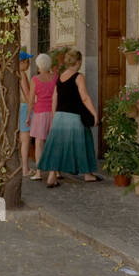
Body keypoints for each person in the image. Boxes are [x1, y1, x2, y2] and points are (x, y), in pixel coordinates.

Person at [38, 48, 100, 187]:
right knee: (83, 143)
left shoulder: (59, 77)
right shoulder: (78, 77)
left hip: (60, 116)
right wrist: (94, 113)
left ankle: (52, 176)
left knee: (57, 147)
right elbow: (84, 97)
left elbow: (54, 98)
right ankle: (87, 174)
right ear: (78, 62)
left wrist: (55, 116)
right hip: (74, 117)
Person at [28, 53, 57, 181]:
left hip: (39, 113)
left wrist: (28, 115)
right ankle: (55, 171)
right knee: (53, 143)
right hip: (52, 113)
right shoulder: (55, 78)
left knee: (39, 143)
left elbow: (31, 99)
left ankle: (39, 172)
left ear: (39, 65)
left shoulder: (35, 79)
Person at [16, 51, 35, 179]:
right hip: (24, 108)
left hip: (20, 107)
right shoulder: (22, 74)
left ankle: (23, 167)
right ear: (21, 62)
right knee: (25, 139)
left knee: (23, 139)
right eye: (27, 61)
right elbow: (27, 94)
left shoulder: (15, 74)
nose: (28, 64)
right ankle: (25, 168)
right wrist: (35, 104)